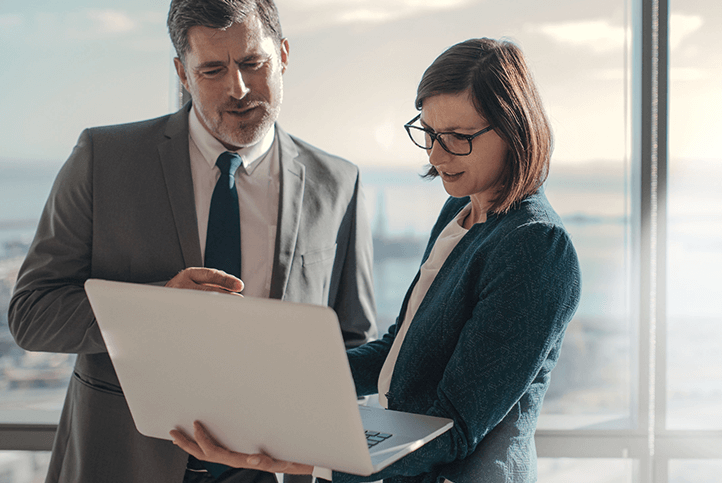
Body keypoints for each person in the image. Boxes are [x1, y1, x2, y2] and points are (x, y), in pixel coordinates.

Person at [7, 0, 377, 482]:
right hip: (122, 463)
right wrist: (156, 309)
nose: (238, 89)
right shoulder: (104, 160)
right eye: (212, 70)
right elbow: (31, 315)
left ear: (283, 55)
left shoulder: (339, 181)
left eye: (252, 63)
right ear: (182, 73)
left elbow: (352, 340)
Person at [171, 38, 582, 483]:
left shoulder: (537, 245)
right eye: (430, 133)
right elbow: (397, 352)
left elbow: (455, 428)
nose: (437, 156)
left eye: (459, 139)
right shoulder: (461, 211)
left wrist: (292, 457)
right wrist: (275, 378)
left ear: (515, 129)